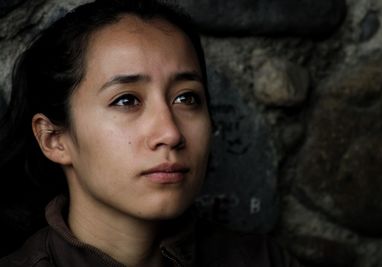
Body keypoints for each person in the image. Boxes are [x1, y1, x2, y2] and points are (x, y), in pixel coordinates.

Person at [0, 0, 300, 266]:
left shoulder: (262, 260)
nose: (170, 133)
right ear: (54, 139)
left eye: (187, 98)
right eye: (126, 100)